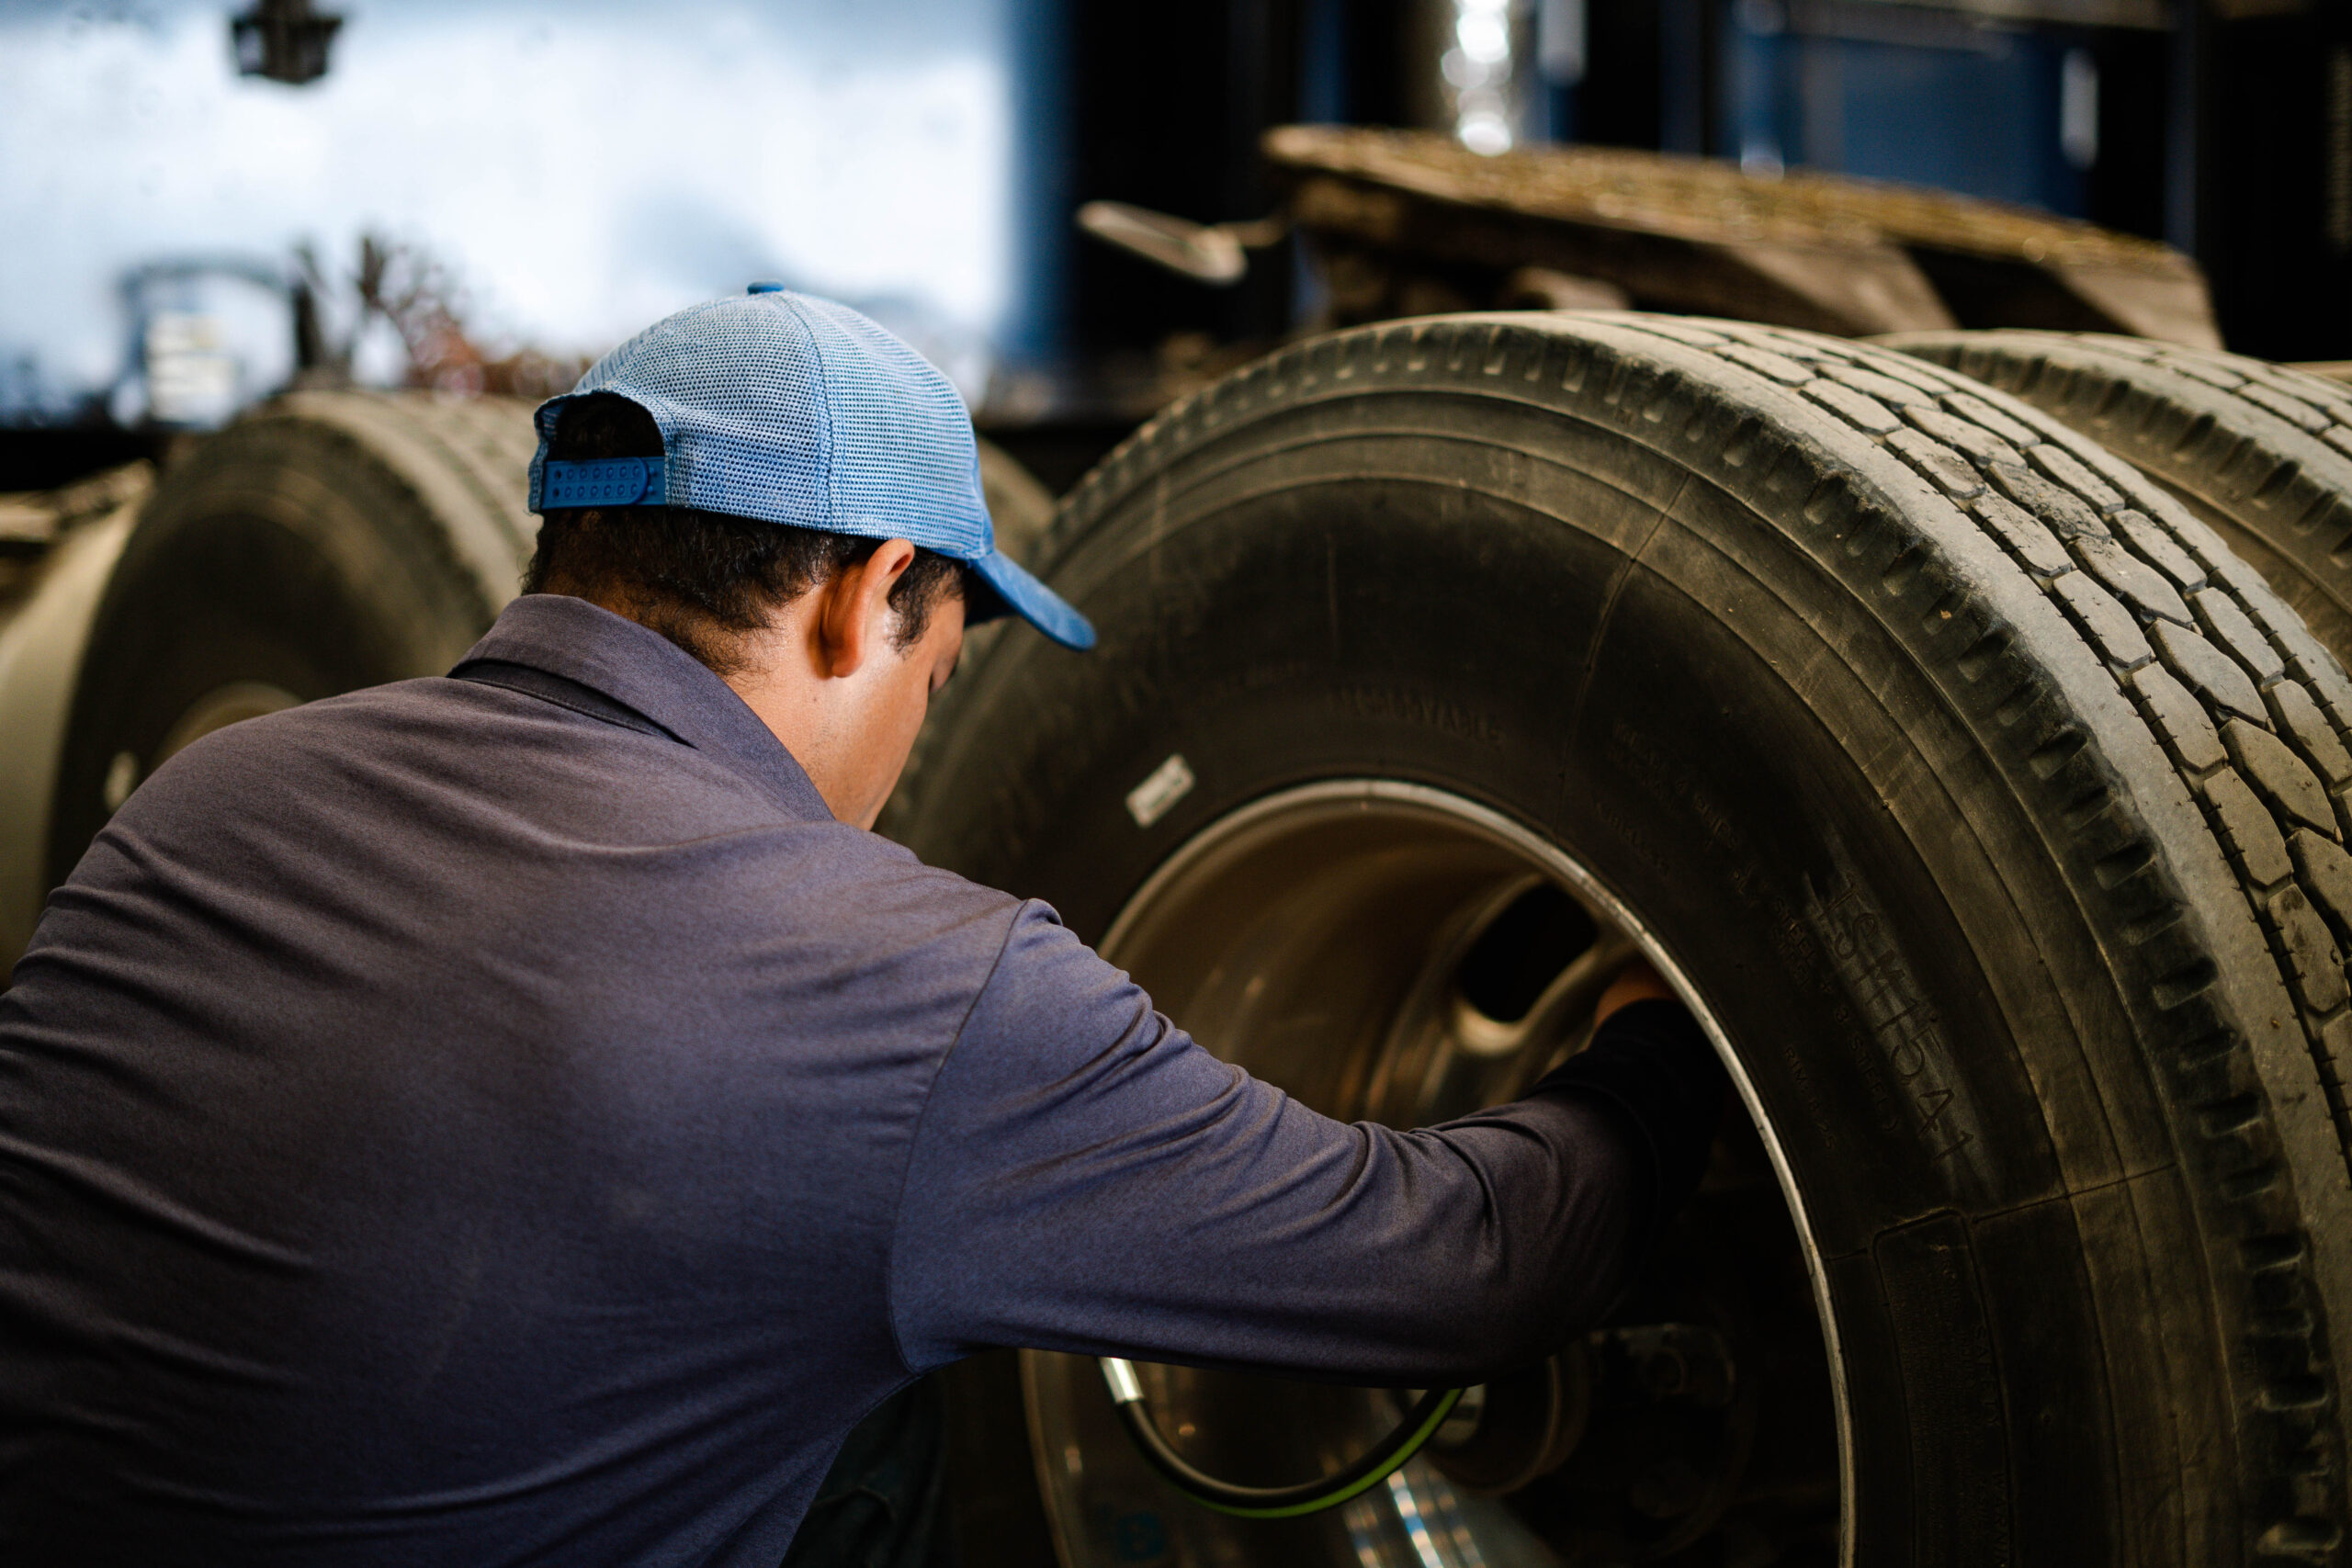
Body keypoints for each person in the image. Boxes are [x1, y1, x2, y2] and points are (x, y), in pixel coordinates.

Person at [0, 288, 1727, 1567]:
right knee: (896, 1370)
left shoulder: (206, 801)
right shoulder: (922, 990)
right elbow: (1463, 1265)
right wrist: (1663, 1051)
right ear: (865, 596)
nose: (912, 758)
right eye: (942, 666)